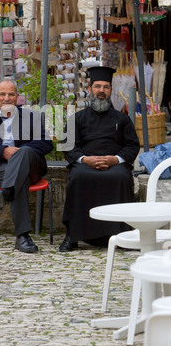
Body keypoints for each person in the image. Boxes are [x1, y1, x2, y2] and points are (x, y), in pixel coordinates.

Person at [59, 66, 140, 252]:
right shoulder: (77, 119)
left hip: (114, 165)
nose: (101, 91)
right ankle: (72, 236)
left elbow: (132, 145)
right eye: (97, 87)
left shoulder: (122, 118)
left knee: (121, 177)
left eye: (105, 87)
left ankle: (123, 236)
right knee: (78, 177)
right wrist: (85, 160)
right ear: (90, 88)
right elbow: (68, 145)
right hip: (86, 163)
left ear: (111, 90)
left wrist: (115, 159)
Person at [0, 78, 53, 253]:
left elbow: (46, 144)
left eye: (11, 94)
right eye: (2, 94)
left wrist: (20, 153)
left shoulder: (32, 117)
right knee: (18, 178)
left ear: (17, 97)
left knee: (24, 153)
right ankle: (22, 237)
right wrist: (3, 151)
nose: (6, 98)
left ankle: (5, 192)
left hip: (32, 168)